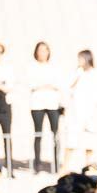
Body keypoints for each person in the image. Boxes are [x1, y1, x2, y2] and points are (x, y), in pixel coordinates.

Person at [29, 42, 65, 173]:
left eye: (45, 50)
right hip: (37, 104)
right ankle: (37, 164)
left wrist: (44, 85)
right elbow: (31, 84)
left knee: (55, 133)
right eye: (40, 50)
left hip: (52, 104)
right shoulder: (31, 67)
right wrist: (46, 84)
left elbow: (58, 84)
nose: (43, 53)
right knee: (38, 134)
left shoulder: (54, 67)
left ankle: (55, 164)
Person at [0, 43, 12, 168]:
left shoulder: (7, 68)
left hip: (4, 104)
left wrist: (1, 86)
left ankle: (9, 166)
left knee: (7, 135)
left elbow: (10, 87)